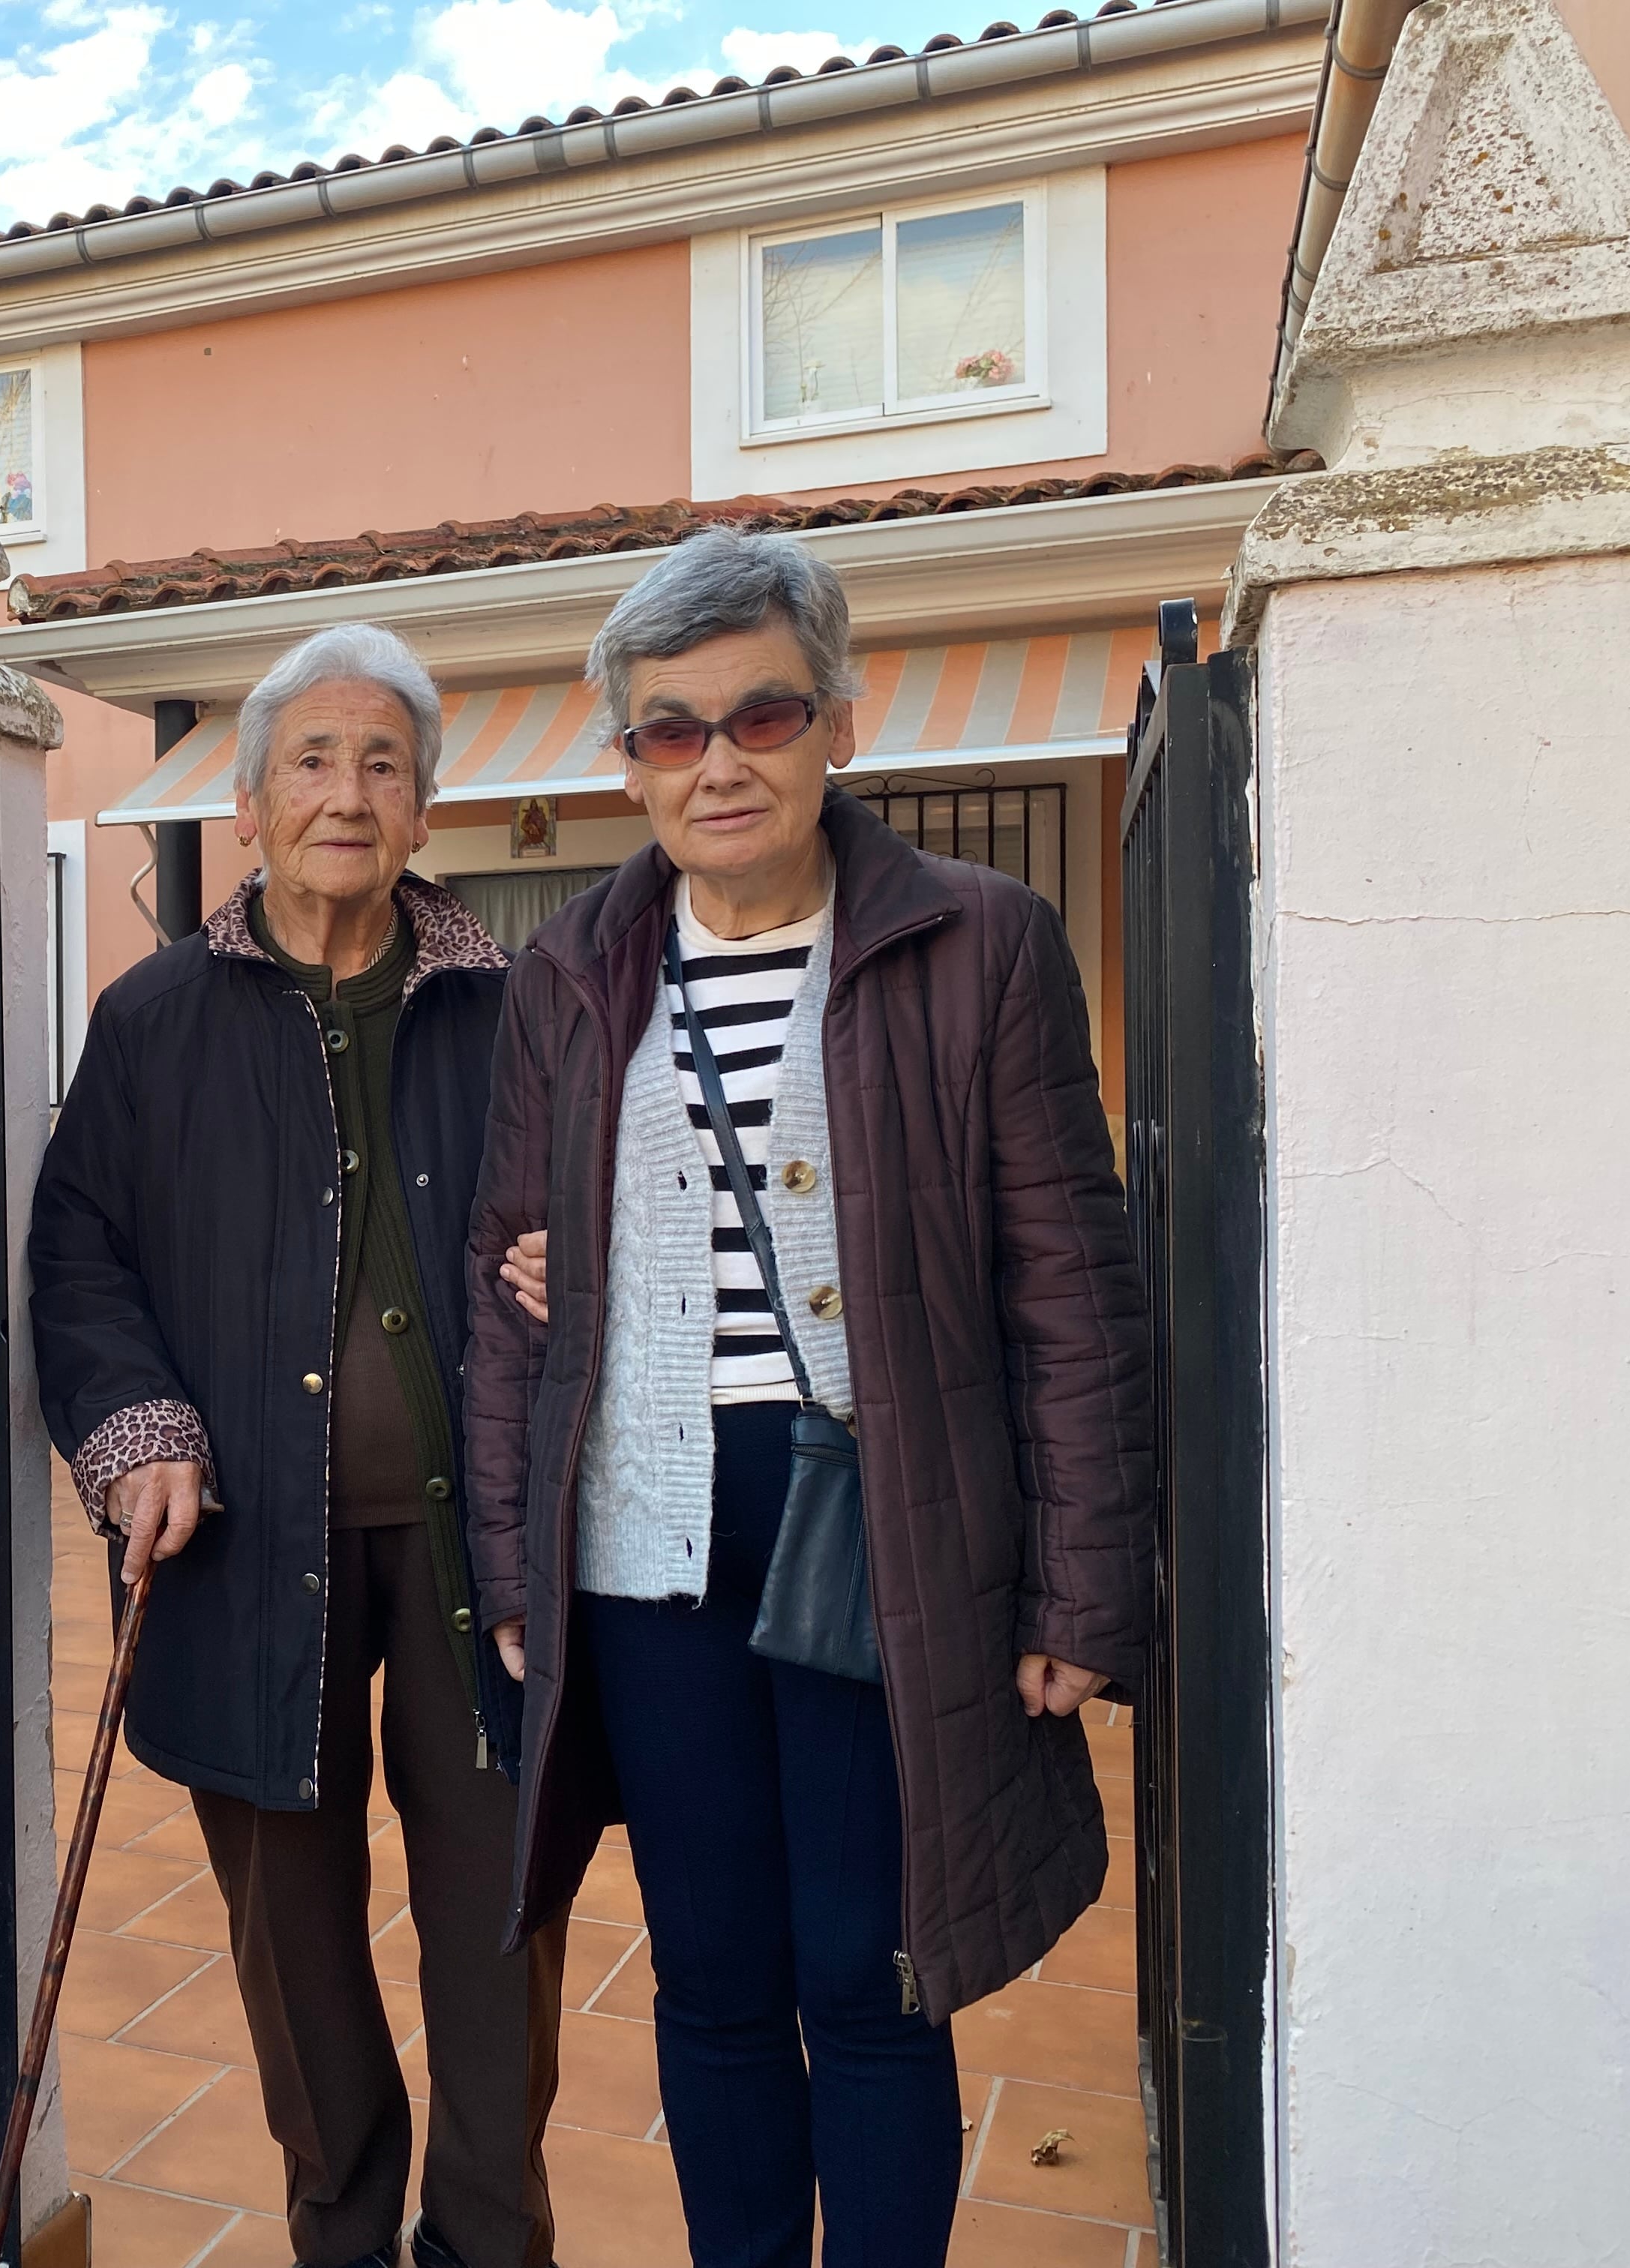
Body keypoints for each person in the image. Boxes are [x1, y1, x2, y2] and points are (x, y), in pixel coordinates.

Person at [461, 529, 1153, 2268]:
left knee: (870, 1973)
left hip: (883, 1523)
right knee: (711, 1976)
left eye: (760, 714)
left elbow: (1073, 1282)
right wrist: (510, 1571)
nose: (720, 761)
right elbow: (509, 1294)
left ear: (837, 723)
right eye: (671, 729)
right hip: (651, 1535)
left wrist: (1083, 1587)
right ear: (627, 758)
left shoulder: (980, 942)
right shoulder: (571, 974)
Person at [29, 622, 562, 2268]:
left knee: (500, 1915)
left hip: (486, 1549)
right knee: (293, 1932)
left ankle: (486, 2236)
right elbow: (77, 1252)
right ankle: (342, 2222)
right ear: (251, 805)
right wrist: (142, 1437)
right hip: (248, 1542)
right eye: (314, 762)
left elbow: (607, 1205)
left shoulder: (516, 1006)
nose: (350, 792)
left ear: (425, 811)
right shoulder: (155, 1020)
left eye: (384, 763)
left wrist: (580, 1261)